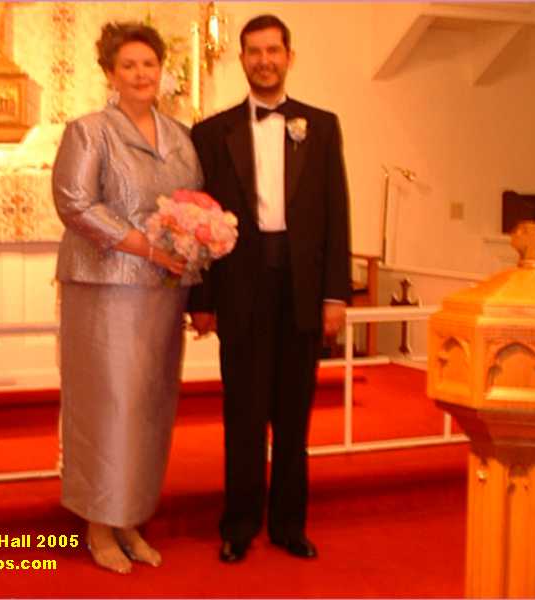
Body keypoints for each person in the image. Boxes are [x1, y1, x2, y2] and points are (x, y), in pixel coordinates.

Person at [188, 14, 351, 563]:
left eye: (273, 50)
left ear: (289, 56)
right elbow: (201, 221)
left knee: (293, 417)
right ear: (242, 60)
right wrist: (202, 300)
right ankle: (238, 525)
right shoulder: (212, 133)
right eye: (254, 51)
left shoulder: (321, 126)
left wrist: (335, 296)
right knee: (243, 414)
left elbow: (336, 214)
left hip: (302, 290)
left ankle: (288, 525)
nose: (264, 60)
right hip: (242, 288)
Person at [52, 22, 203, 575]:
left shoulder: (180, 134)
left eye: (149, 64)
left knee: (150, 404)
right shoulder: (90, 131)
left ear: (162, 69)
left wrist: (195, 241)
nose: (141, 74)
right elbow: (74, 202)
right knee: (108, 404)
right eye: (129, 65)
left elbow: (192, 201)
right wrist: (145, 246)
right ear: (110, 73)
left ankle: (131, 516)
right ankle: (99, 522)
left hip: (161, 292)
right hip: (105, 289)